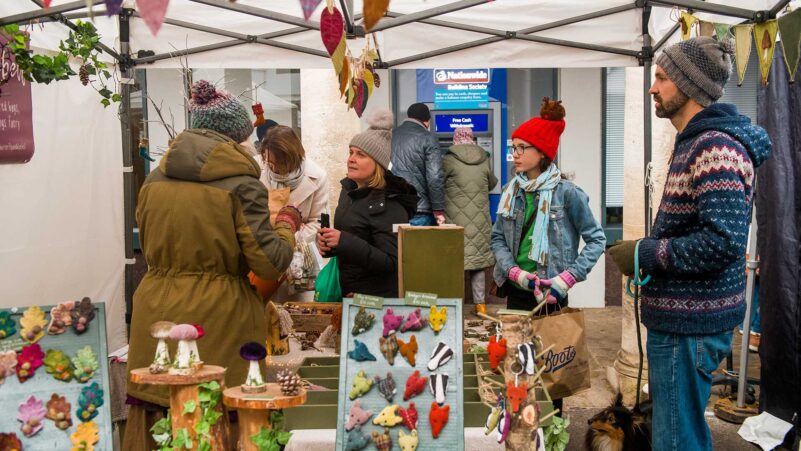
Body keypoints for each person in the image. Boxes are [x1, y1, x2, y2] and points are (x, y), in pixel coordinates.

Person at [607, 37, 771, 451]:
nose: (652, 87)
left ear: (690, 86)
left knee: (677, 441)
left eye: (662, 78)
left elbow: (723, 242)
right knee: (674, 433)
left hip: (690, 327)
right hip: (681, 321)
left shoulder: (715, 147)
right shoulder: (696, 142)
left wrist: (645, 253)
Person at [124, 80, 301, 450]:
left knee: (163, 415)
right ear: (235, 138)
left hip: (155, 314)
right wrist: (286, 223)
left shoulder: (154, 180)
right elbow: (270, 262)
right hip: (218, 320)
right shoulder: (241, 185)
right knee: (214, 418)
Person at [490, 97, 605, 417]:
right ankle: (524, 432)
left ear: (542, 152)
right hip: (517, 291)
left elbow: (597, 240)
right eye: (513, 148)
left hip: (552, 296)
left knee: (553, 377)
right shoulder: (511, 192)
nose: (514, 155)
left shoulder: (568, 194)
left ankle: (551, 431)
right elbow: (497, 237)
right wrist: (514, 273)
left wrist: (566, 278)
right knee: (519, 374)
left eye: (521, 148)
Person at [317, 110, 418, 297]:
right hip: (349, 294)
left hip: (376, 303)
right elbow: (355, 241)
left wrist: (344, 241)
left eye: (360, 155)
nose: (351, 159)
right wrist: (330, 246)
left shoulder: (390, 204)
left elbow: (392, 263)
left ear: (377, 163)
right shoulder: (349, 192)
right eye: (351, 152)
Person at [258, 125, 329, 300]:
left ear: (293, 158)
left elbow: (319, 222)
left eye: (280, 164)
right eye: (270, 163)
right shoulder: (254, 169)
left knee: (295, 313)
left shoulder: (317, 176)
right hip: (261, 254)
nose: (273, 169)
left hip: (298, 258)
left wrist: (292, 234)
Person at [443, 127, 498, 314]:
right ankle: (480, 305)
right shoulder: (484, 158)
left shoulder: (449, 159)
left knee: (454, 262)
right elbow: (492, 183)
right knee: (478, 263)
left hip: (454, 218)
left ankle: (454, 306)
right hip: (480, 219)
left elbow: (437, 182)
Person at [390, 102, 445, 226]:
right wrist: (438, 209)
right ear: (427, 121)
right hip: (419, 209)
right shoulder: (428, 137)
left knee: (397, 245)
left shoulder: (391, 135)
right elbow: (435, 176)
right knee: (419, 245)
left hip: (393, 206)